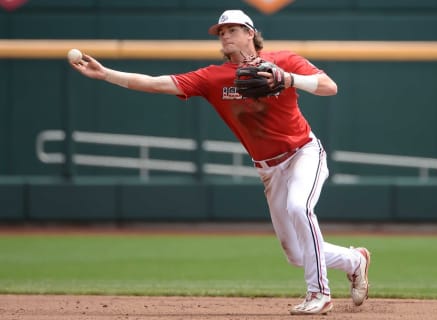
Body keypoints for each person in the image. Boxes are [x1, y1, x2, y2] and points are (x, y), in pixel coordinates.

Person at [70, 9, 371, 315]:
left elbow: (329, 86)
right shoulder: (214, 78)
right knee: (295, 253)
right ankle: (355, 261)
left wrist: (289, 79)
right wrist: (106, 73)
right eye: (221, 32)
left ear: (250, 33)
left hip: (303, 153)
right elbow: (154, 83)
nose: (225, 36)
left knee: (298, 207)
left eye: (232, 30)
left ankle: (319, 293)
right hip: (268, 168)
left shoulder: (283, 60)